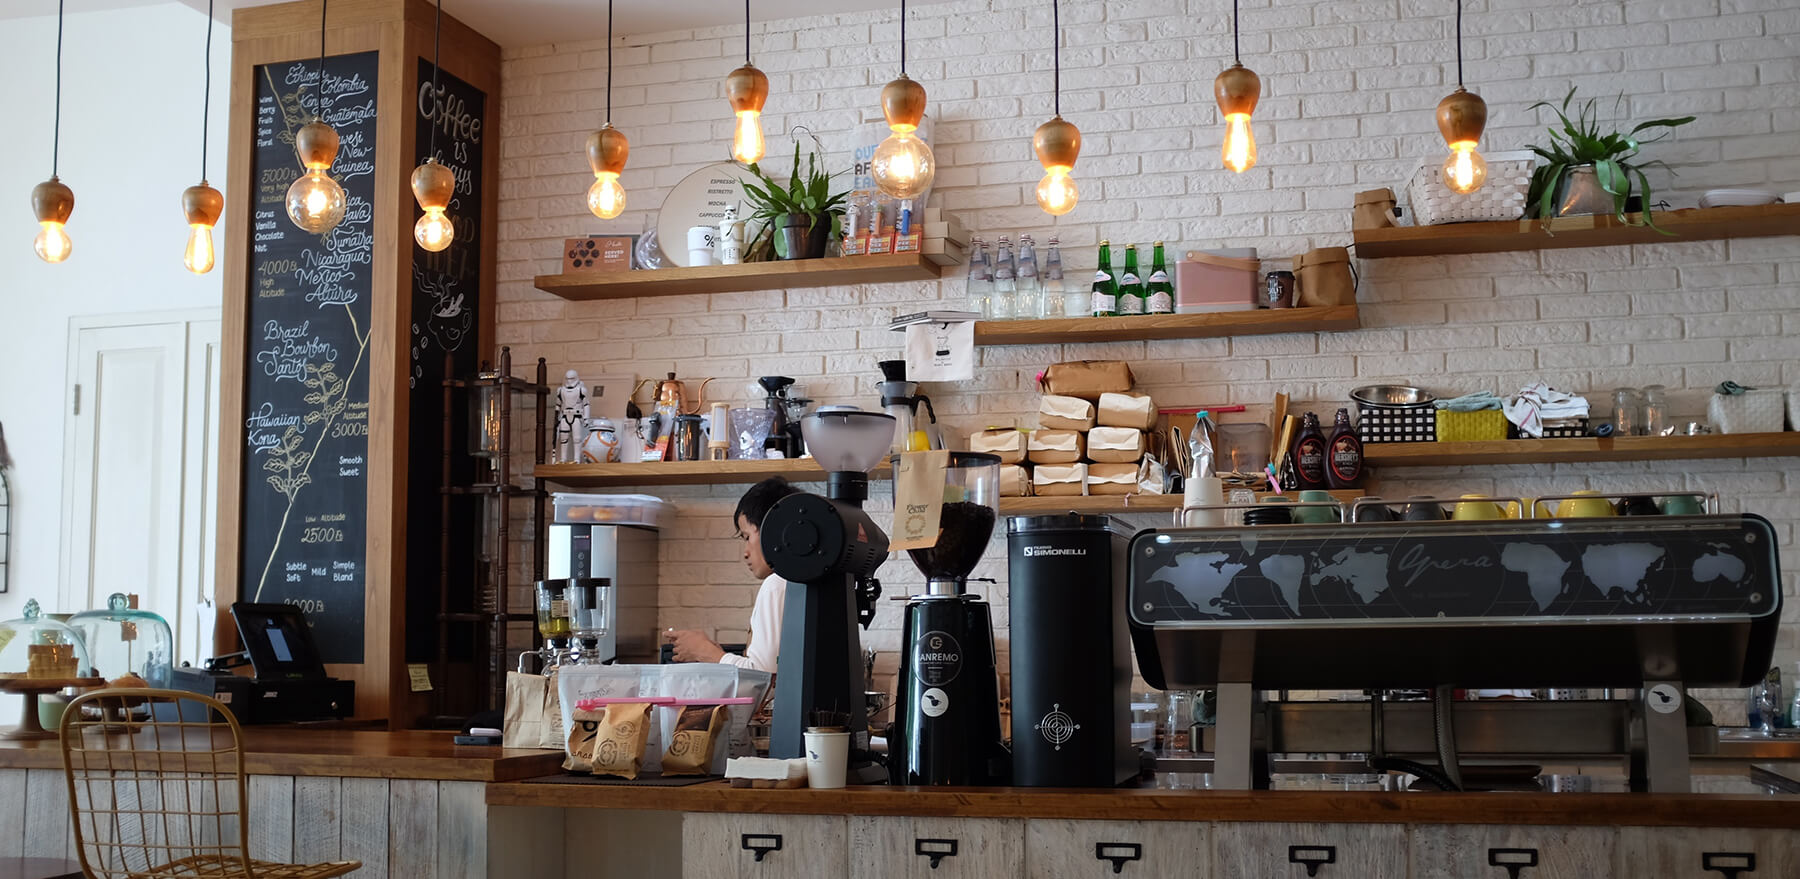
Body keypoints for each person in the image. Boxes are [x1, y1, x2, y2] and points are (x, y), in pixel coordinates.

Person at [664, 477, 800, 673]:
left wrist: (706, 652)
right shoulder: (797, 582)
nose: (745, 552)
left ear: (772, 531)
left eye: (747, 537)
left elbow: (762, 677)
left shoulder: (776, 585)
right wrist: (717, 655)